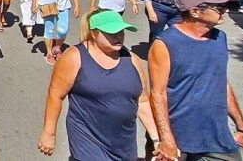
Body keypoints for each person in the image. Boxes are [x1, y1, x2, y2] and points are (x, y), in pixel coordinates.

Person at [148, 0, 243, 161]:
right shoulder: (165, 43)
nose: (225, 10)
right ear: (195, 11)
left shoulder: (220, 38)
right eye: (218, 7)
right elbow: (157, 94)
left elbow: (222, 83)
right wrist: (166, 140)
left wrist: (242, 127)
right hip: (178, 138)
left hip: (216, 136)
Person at [37, 10, 159, 160]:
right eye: (111, 32)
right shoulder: (74, 57)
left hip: (123, 144)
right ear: (94, 34)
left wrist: (156, 139)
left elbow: (142, 100)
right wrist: (49, 133)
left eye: (121, 31)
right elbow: (55, 95)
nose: (118, 36)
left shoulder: (132, 59)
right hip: (88, 141)